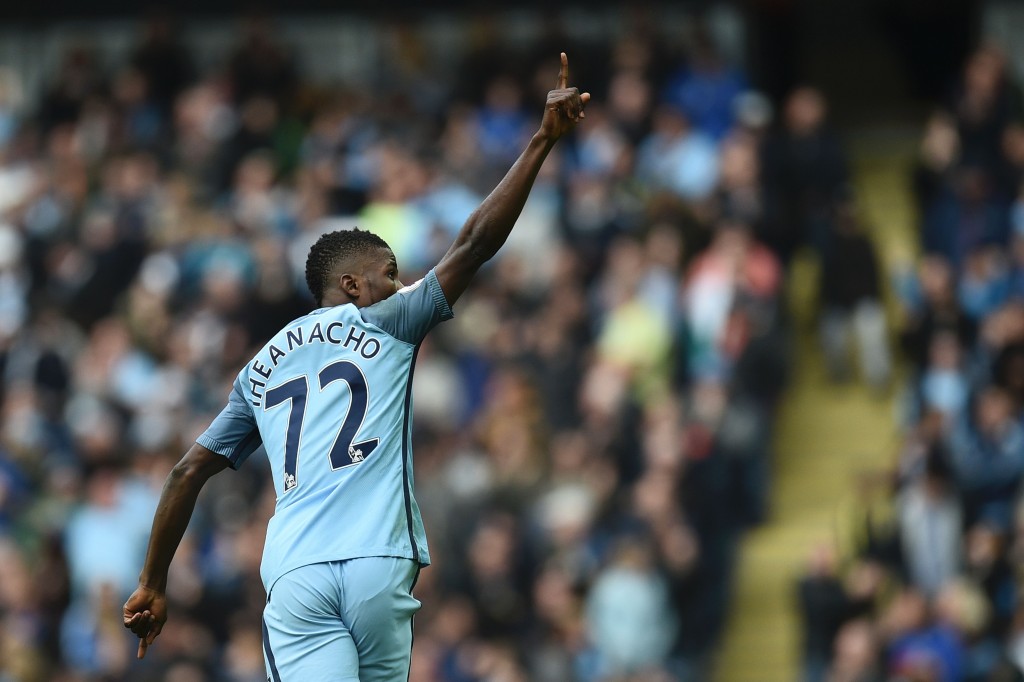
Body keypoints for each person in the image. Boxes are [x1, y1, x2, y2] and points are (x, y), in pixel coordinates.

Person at [122, 53, 589, 681]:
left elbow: (188, 471)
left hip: (299, 572)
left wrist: (153, 582)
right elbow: (474, 243)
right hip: (380, 561)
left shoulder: (258, 368)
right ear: (352, 284)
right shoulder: (390, 321)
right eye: (389, 274)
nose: (401, 284)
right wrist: (541, 142)